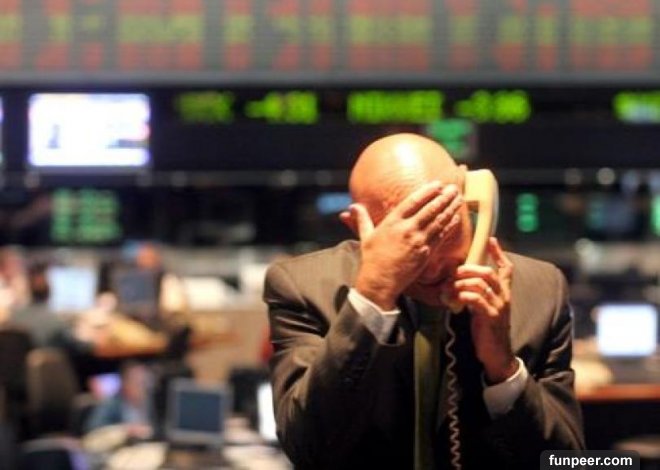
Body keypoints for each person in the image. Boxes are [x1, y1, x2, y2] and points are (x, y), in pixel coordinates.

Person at [263, 133, 584, 469]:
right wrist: (373, 295)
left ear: (474, 197)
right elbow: (309, 449)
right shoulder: (302, 286)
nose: (432, 268)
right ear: (359, 226)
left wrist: (503, 368)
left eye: (444, 227)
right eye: (410, 237)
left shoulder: (541, 290)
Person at [84, 361, 155, 439]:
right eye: (137, 382)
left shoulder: (151, 401)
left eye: (144, 382)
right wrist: (124, 430)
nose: (143, 387)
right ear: (125, 383)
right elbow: (91, 430)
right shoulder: (111, 404)